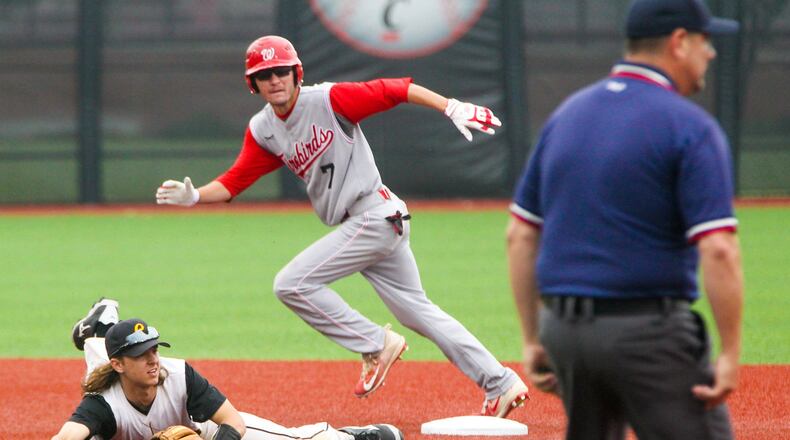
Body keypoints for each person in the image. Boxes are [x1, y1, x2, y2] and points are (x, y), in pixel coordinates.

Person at [155, 35, 528, 417]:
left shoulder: (329, 101)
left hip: (372, 216)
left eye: (281, 70)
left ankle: (375, 343)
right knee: (418, 312)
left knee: (292, 284)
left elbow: (394, 89)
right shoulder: (265, 128)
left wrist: (449, 105)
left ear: (296, 72)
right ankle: (500, 382)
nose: (275, 80)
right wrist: (196, 196)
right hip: (376, 221)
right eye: (264, 74)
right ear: (253, 84)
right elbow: (235, 180)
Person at [506, 0, 744, 438]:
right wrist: (729, 352)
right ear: (678, 42)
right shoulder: (689, 125)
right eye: (705, 41)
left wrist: (533, 337)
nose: (710, 53)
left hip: (565, 333)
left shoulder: (566, 115)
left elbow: (520, 235)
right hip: (647, 335)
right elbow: (718, 248)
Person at [53, 298, 405, 440]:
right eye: (142, 353)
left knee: (283, 439)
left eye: (154, 349)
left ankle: (350, 436)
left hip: (198, 424)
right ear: (120, 363)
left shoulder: (176, 374)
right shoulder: (102, 403)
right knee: (106, 371)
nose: (153, 358)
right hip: (119, 396)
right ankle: (101, 329)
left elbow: (232, 421)